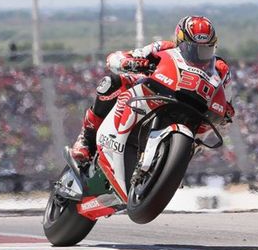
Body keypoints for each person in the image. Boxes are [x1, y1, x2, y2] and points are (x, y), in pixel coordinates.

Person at [71, 15, 233, 162]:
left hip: (195, 115)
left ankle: (168, 167)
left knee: (206, 135)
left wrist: (227, 112)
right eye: (193, 49)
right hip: (158, 94)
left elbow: (228, 101)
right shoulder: (163, 47)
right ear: (180, 41)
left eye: (206, 50)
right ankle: (86, 138)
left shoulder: (221, 68)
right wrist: (129, 63)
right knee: (112, 82)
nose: (199, 56)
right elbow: (117, 58)